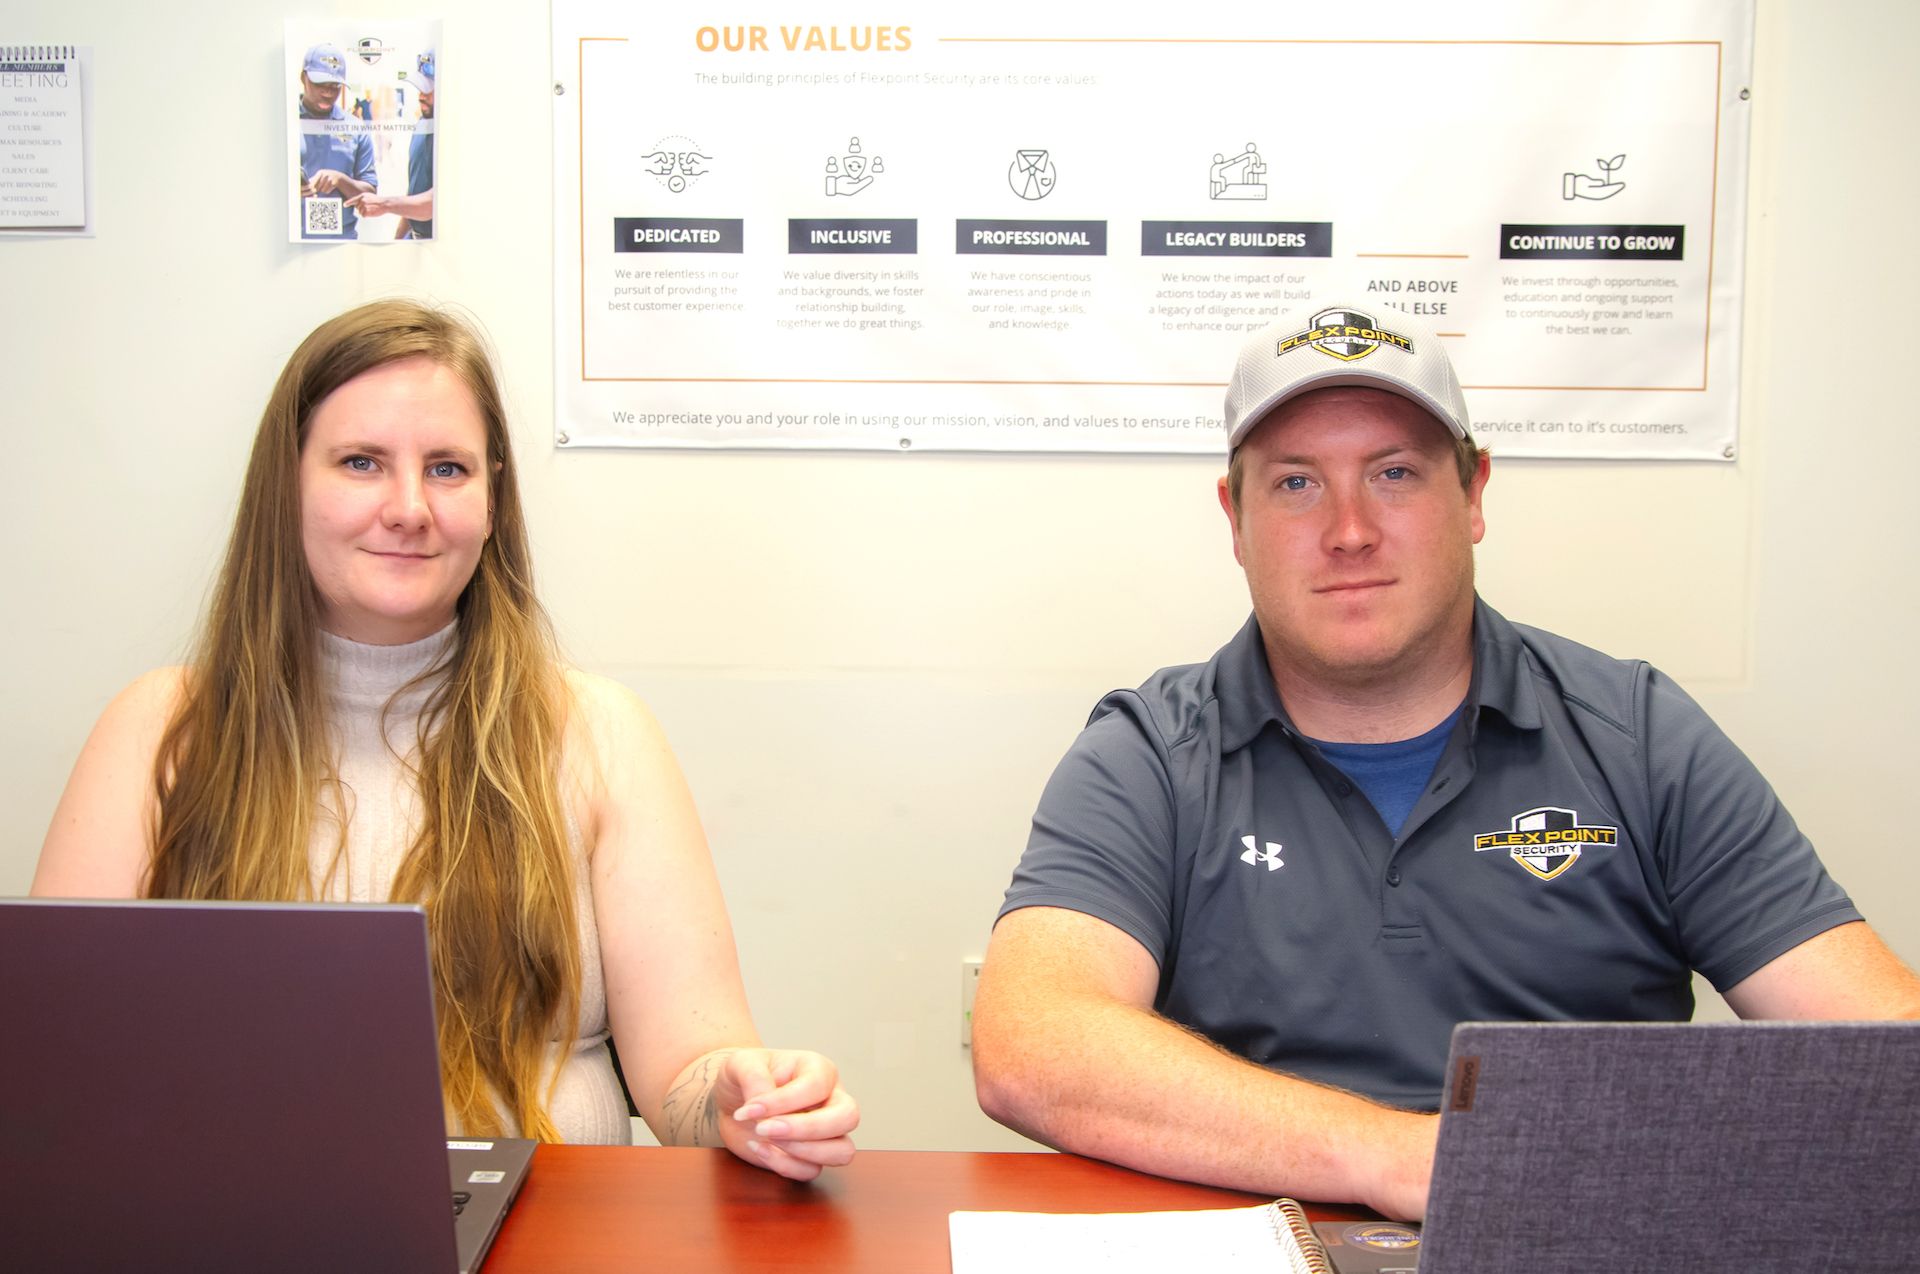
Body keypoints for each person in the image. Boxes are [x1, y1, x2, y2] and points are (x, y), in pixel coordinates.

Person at [971, 299, 1920, 1219]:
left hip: (1568, 1232)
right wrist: (1404, 1157)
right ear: (1235, 517)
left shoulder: (1636, 735)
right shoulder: (1150, 755)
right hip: (1257, 1242)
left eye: (1394, 473)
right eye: (1296, 482)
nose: (1349, 530)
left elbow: (1884, 1056)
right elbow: (1031, 1043)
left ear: (1473, 495)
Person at [32, 299, 858, 1179]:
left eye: (449, 469)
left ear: (493, 499)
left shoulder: (599, 736)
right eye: (361, 462)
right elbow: (53, 1059)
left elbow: (688, 1076)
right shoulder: (160, 732)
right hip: (230, 1226)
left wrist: (740, 1099)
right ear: (285, 485)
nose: (410, 507)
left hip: (546, 1236)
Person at [295, 43, 376, 241]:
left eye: (334, 87)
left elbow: (371, 193)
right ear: (303, 77)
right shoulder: (284, 122)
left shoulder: (355, 128)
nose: (328, 93)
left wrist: (340, 180)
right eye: (320, 85)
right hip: (290, 242)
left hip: (342, 242)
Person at [352, 50, 435, 239]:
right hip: (414, 239)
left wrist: (384, 205)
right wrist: (398, 240)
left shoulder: (453, 138)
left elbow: (434, 203)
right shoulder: (422, 126)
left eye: (430, 90)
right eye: (420, 89)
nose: (422, 96)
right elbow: (415, 190)